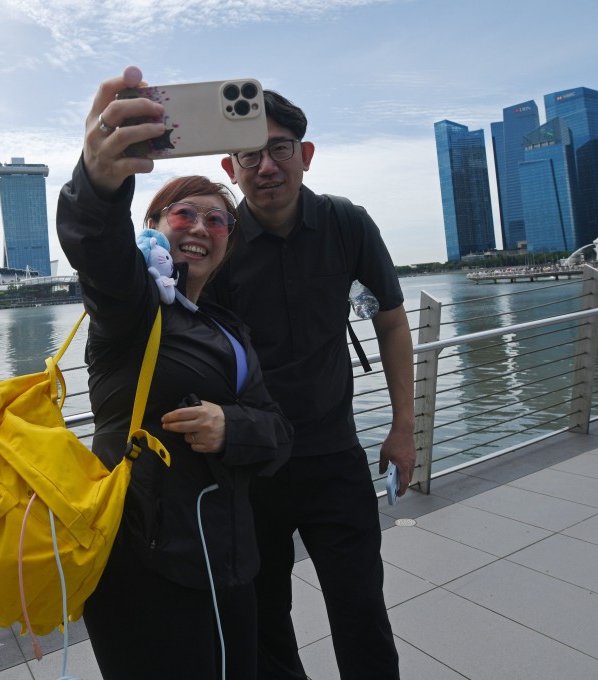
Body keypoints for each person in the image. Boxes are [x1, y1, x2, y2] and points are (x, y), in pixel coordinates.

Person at [56, 66, 294, 680]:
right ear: (155, 228)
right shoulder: (131, 312)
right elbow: (99, 253)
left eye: (218, 222)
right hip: (144, 566)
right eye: (184, 214)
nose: (202, 229)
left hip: (231, 562)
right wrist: (98, 182)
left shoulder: (229, 330)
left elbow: (277, 434)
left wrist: (232, 428)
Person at [207, 89, 417, 679]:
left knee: (361, 609)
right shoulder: (219, 241)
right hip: (251, 467)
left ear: (306, 154)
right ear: (231, 168)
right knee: (264, 622)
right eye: (249, 155)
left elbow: (391, 321)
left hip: (333, 455)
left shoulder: (345, 223)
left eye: (280, 149)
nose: (266, 166)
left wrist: (403, 429)